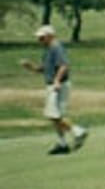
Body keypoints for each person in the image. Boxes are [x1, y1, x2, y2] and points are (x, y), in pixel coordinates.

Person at [20, 25, 88, 155]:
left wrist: (57, 81)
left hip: (58, 85)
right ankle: (62, 143)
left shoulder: (56, 47)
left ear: (50, 36)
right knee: (56, 116)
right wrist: (30, 67)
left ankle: (78, 131)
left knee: (53, 115)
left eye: (42, 37)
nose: (39, 40)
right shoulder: (48, 50)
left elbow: (63, 66)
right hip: (54, 84)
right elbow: (44, 69)